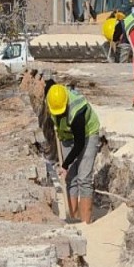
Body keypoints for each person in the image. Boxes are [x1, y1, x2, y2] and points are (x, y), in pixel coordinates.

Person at [46, 84, 100, 224]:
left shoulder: (77, 111)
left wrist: (64, 165)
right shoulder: (53, 100)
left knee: (84, 178)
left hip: (87, 134)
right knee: (71, 178)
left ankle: (86, 223)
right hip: (66, 136)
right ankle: (74, 218)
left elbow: (80, 144)